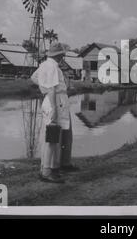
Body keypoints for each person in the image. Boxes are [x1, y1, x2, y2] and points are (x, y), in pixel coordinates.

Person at [31, 42, 78, 183]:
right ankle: (46, 171)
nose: (63, 56)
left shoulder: (45, 64)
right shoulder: (52, 67)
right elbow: (51, 89)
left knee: (55, 137)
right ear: (60, 55)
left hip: (55, 100)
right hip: (55, 101)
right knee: (52, 137)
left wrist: (42, 86)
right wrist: (54, 110)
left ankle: (54, 167)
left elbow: (34, 77)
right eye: (62, 54)